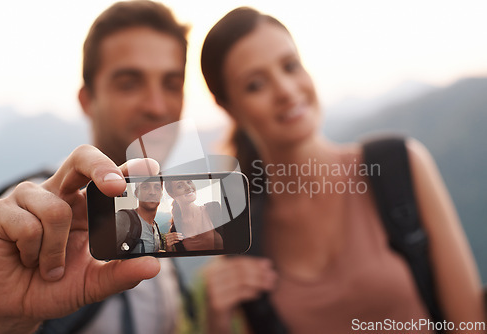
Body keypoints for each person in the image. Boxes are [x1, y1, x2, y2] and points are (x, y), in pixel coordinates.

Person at [199, 7, 485, 334]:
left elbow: (470, 323)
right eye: (255, 84)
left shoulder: (400, 167)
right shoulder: (242, 232)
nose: (286, 91)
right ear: (227, 106)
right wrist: (217, 322)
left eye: (290, 66)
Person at [0, 1, 189, 333]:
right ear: (87, 100)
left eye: (171, 84)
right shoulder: (41, 215)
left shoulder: (162, 224)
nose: (156, 106)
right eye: (129, 83)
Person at [164, 180, 223, 252]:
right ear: (171, 194)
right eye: (180, 186)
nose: (188, 187)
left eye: (189, 182)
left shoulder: (214, 209)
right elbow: (180, 260)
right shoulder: (175, 229)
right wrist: (168, 248)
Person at [116, 180, 166, 254]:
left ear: (161, 194)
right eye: (145, 187)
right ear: (136, 193)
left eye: (157, 188)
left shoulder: (155, 226)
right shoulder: (123, 219)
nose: (152, 192)